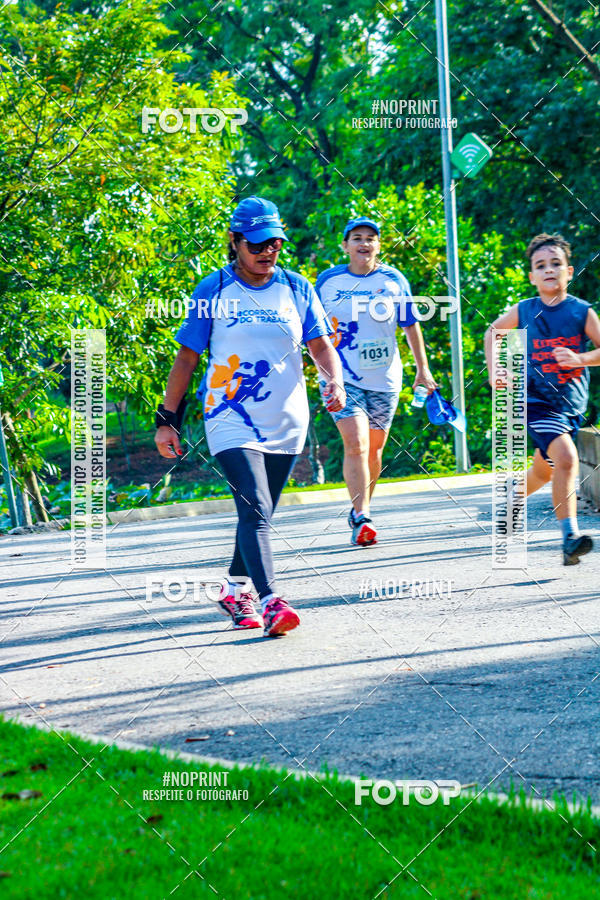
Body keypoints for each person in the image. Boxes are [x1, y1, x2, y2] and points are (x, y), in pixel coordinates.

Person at [155, 197, 345, 634]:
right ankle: (271, 601)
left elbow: (320, 347)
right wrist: (167, 419)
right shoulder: (214, 288)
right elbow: (186, 359)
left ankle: (233, 588)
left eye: (274, 243)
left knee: (257, 513)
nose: (267, 252)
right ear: (235, 242)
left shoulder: (297, 287)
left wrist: (334, 382)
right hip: (229, 415)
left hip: (287, 418)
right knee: (255, 505)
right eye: (257, 244)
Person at [315, 216, 437, 545]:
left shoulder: (394, 280)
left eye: (371, 238)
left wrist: (422, 370)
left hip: (385, 377)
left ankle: (362, 509)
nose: (364, 243)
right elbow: (311, 329)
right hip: (341, 377)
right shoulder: (328, 281)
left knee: (375, 451)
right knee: (356, 443)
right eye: (356, 238)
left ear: (378, 245)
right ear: (345, 246)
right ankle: (362, 516)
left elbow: (411, 325)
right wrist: (321, 372)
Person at [484, 232, 600, 565]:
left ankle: (512, 500)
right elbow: (493, 332)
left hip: (571, 406)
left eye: (555, 264)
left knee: (546, 470)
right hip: (534, 402)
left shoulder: (581, 312)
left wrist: (581, 359)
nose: (549, 270)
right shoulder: (525, 310)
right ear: (531, 276)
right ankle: (569, 538)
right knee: (566, 458)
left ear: (570, 271)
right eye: (540, 265)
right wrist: (496, 372)